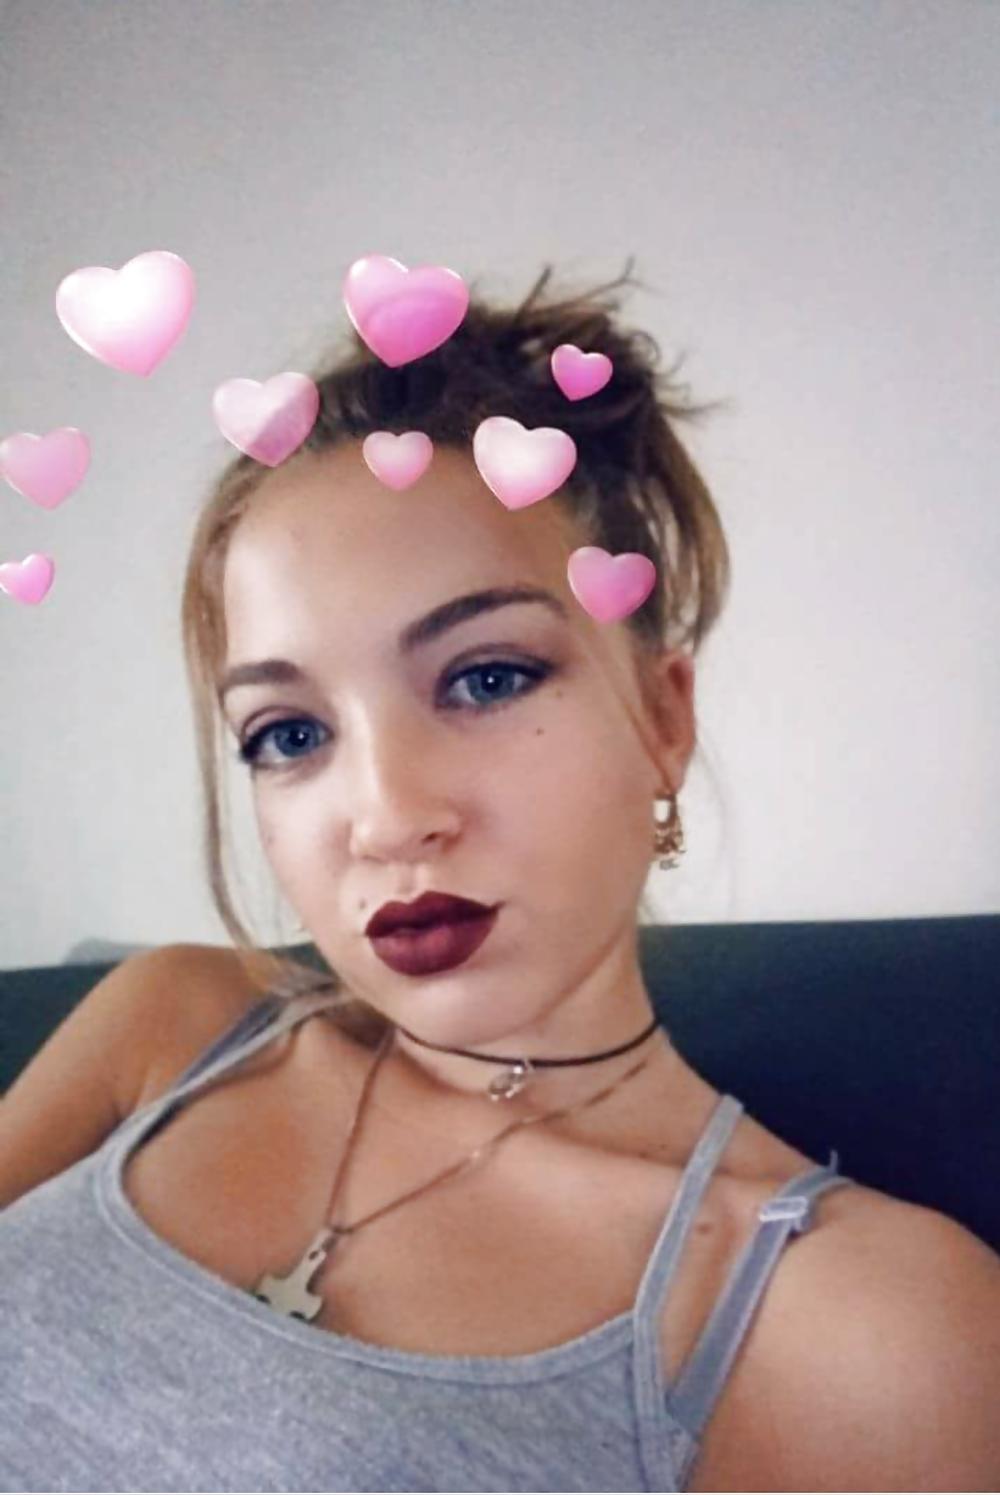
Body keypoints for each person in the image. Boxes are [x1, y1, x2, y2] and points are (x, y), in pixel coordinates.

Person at [2, 260, 998, 1492]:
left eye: (486, 678)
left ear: (662, 717)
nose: (387, 820)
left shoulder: (859, 1323)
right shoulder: (175, 1024)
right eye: (290, 734)